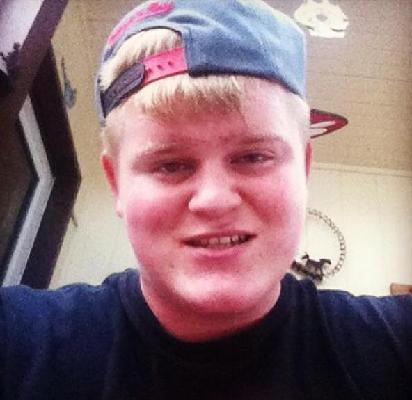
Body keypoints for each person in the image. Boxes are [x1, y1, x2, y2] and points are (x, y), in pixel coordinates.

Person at [1, 1, 411, 399]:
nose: (214, 201)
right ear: (117, 184)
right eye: (169, 165)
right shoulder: (18, 343)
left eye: (254, 157)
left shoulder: (393, 347)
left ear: (303, 168)